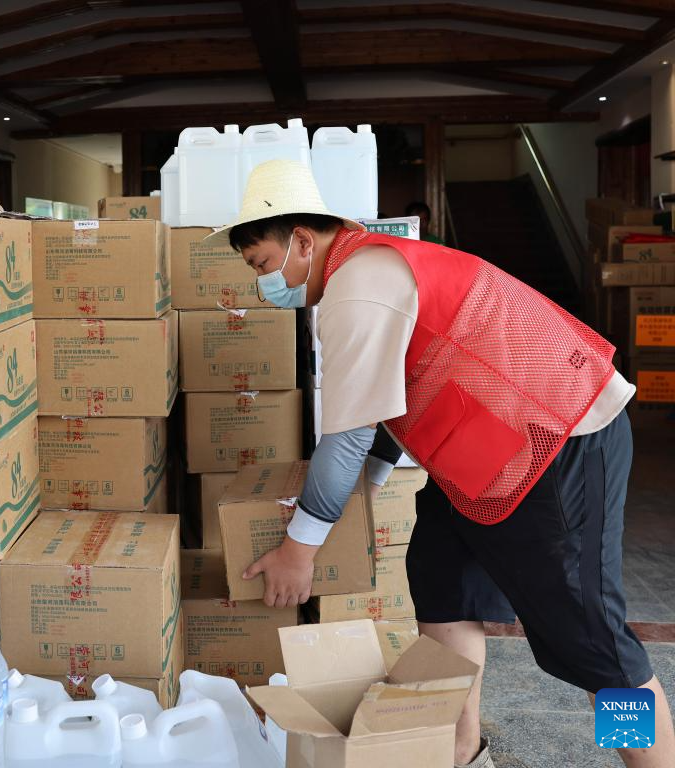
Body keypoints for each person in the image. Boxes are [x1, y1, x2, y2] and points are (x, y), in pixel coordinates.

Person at [209, 159, 673, 768]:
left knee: (591, 639)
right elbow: (387, 408)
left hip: (560, 438)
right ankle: (461, 749)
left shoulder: (359, 284)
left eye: (263, 265)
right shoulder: (365, 270)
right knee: (442, 583)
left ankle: (647, 760)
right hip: (489, 452)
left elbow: (345, 437)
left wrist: (299, 550)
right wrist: (363, 496)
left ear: (301, 241)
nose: (265, 284)